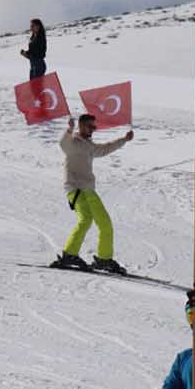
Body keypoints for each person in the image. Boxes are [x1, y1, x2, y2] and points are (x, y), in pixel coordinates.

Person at [51, 113, 134, 274]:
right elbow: (63, 144)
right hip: (75, 188)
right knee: (93, 221)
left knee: (98, 222)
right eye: (90, 126)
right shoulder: (73, 143)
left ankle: (97, 258)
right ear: (81, 126)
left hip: (88, 189)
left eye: (94, 127)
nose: (93, 130)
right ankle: (75, 255)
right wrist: (69, 129)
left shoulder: (89, 145)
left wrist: (124, 140)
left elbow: (105, 149)